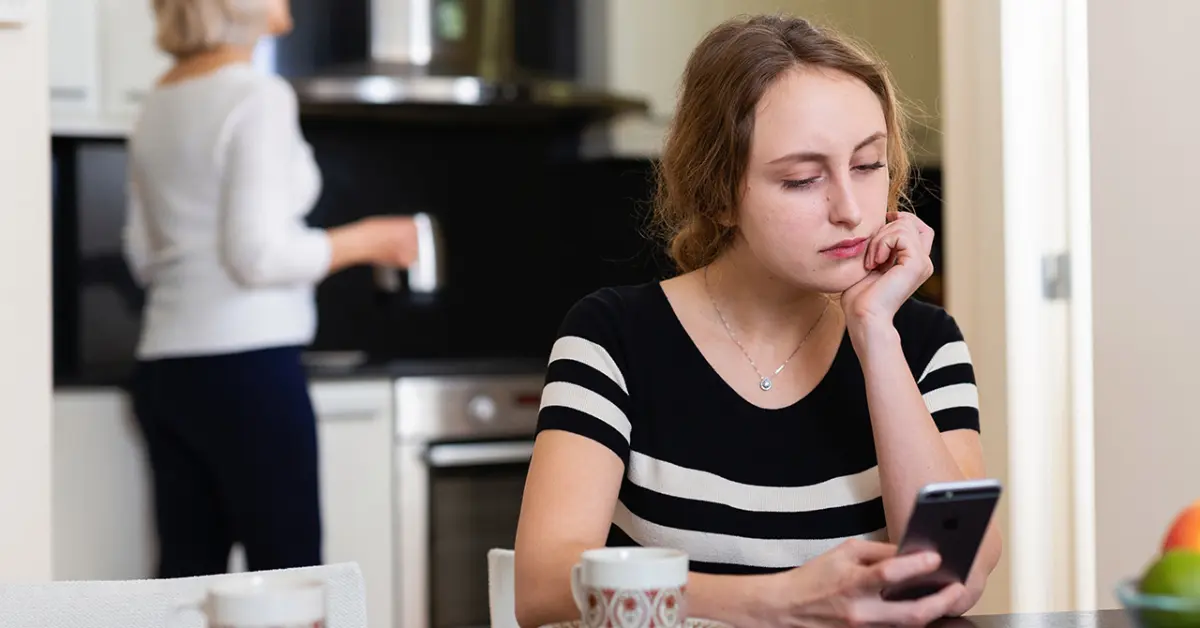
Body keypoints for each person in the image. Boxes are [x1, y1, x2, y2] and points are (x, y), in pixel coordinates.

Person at [513, 14, 1002, 628]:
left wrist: (876, 334)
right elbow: (542, 585)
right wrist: (779, 602)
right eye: (802, 179)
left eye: (868, 164)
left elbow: (957, 574)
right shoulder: (612, 336)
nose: (851, 210)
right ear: (719, 195)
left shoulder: (926, 343)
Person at [122, 0, 418, 577]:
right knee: (291, 581)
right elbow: (257, 256)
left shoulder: (156, 101)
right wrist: (369, 240)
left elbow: (142, 256)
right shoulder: (258, 95)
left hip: (165, 368)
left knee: (187, 586)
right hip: (248, 372)